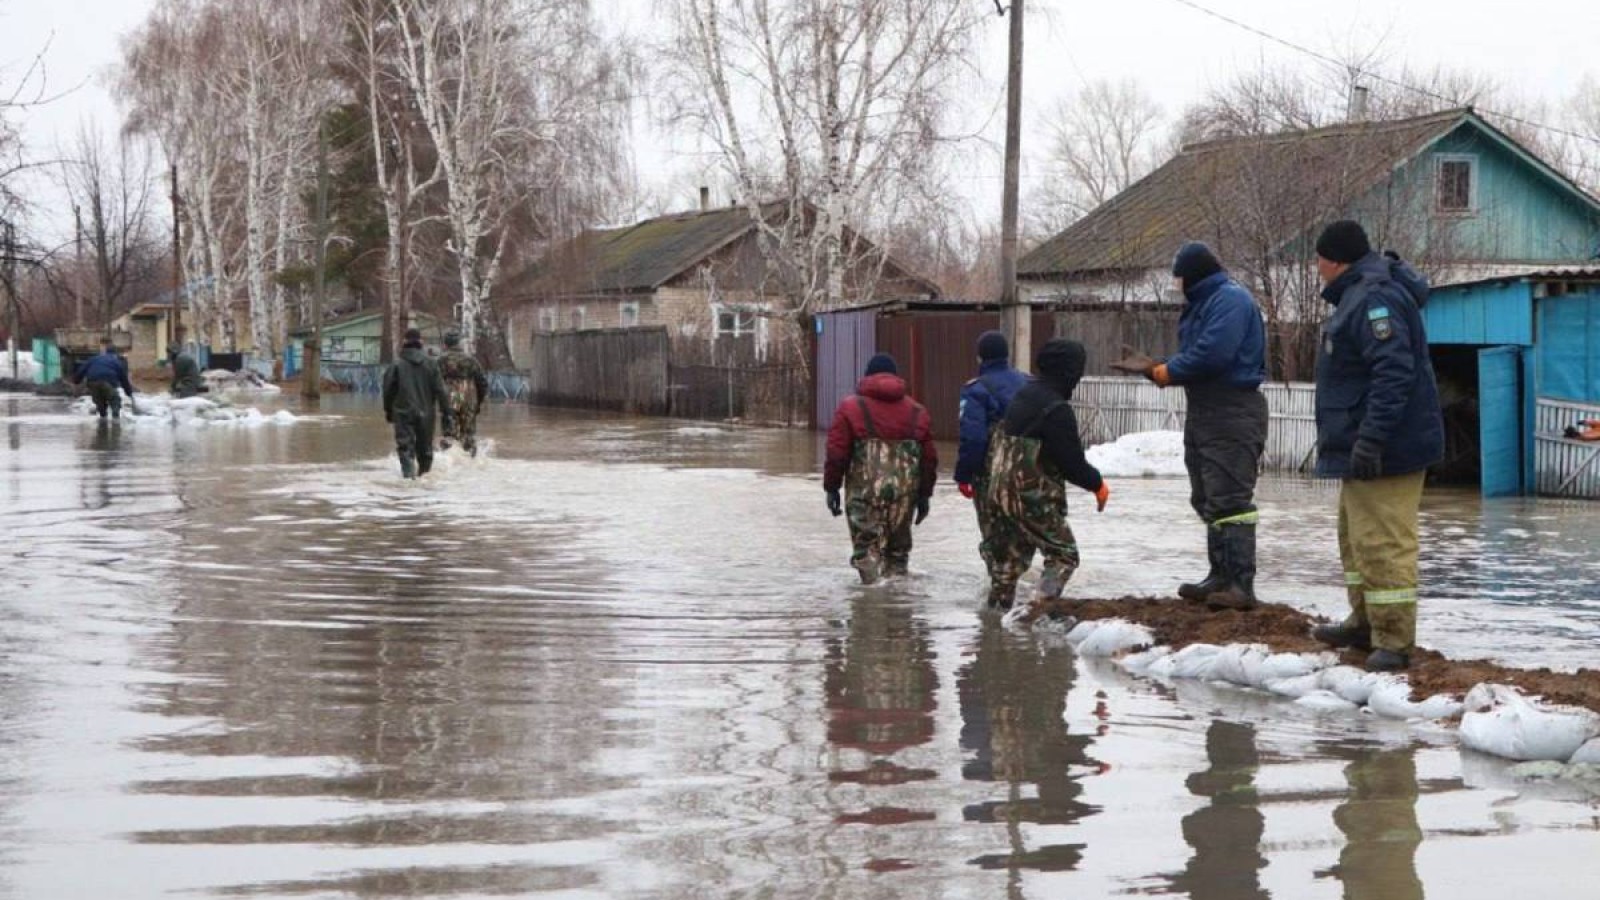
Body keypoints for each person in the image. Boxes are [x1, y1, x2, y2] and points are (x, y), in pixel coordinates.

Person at [1307, 220, 1443, 672]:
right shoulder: (1358, 294)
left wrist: (1371, 439)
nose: (1317, 268)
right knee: (1355, 539)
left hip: (1386, 449)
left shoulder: (1373, 299)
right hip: (1361, 446)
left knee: (1384, 542)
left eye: (1319, 259)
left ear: (1335, 260)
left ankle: (1394, 640)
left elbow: (1393, 373)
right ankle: (1365, 623)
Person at [1112, 242, 1269, 610]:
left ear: (1192, 275)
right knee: (1206, 496)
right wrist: (1158, 369)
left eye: (1178, 278)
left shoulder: (1229, 301)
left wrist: (1163, 371)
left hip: (1232, 409)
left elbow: (1214, 354)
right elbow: (1196, 355)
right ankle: (1220, 575)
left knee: (1230, 498)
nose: (1176, 285)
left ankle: (1240, 584)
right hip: (1205, 409)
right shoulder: (1204, 303)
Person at [982, 339, 1110, 609]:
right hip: (1029, 495)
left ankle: (992, 627)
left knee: (1007, 564)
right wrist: (1097, 485)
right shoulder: (1056, 409)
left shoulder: (1024, 395)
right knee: (1064, 555)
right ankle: (1037, 610)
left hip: (997, 493)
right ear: (1070, 372)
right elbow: (1072, 464)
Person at [823, 352, 938, 584]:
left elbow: (836, 453)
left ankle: (869, 608)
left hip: (864, 495)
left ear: (867, 377)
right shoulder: (917, 411)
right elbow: (929, 460)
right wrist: (924, 495)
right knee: (898, 558)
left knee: (866, 554)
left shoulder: (850, 408)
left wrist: (832, 488)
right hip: (904, 496)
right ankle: (898, 611)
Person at [954, 330, 1029, 609]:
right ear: (1007, 354)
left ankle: (998, 606)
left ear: (980, 356)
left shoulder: (976, 389)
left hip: (992, 478)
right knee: (1023, 534)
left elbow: (973, 438)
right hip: (1030, 475)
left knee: (995, 536)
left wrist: (963, 476)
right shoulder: (1029, 383)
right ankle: (1020, 591)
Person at [382, 328, 453, 479]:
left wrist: (389, 412)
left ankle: (409, 480)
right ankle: (424, 481)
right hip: (426, 414)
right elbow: (441, 391)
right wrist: (447, 413)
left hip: (402, 413)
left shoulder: (396, 365)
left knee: (405, 448)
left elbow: (387, 391)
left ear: (404, 343)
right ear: (421, 342)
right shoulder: (432, 365)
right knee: (425, 450)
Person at [437, 329, 489, 456]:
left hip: (452, 394)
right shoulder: (471, 360)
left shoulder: (440, 360)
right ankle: (471, 464)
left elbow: (433, 382)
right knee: (468, 435)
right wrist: (478, 402)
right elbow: (482, 382)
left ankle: (450, 463)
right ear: (459, 343)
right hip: (469, 395)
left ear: (445, 344)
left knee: (450, 434)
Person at [73, 339, 136, 419]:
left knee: (101, 405)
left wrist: (76, 381)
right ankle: (115, 423)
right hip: (107, 382)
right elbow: (124, 380)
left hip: (92, 383)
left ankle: (102, 423)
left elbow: (81, 370)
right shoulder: (116, 361)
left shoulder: (94, 359)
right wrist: (129, 393)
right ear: (115, 354)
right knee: (115, 401)